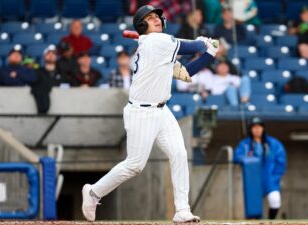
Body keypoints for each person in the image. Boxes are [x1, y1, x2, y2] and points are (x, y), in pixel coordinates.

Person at [81, 5, 220, 222]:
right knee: (135, 165)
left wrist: (209, 54)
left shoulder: (159, 45)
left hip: (161, 110)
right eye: (150, 17)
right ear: (141, 25)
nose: (156, 19)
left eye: (157, 17)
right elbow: (191, 46)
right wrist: (204, 42)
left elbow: (184, 73)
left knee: (179, 154)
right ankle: (93, 192)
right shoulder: (157, 42)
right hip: (141, 112)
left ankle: (182, 209)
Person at [234, 117, 287, 219]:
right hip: (252, 179)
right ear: (251, 129)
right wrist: (244, 159)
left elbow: (281, 161)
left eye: (259, 127)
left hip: (269, 177)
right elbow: (237, 157)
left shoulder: (273, 143)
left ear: (263, 128)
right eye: (254, 127)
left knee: (275, 199)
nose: (257, 129)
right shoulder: (245, 144)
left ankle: (271, 221)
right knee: (253, 207)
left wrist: (275, 176)